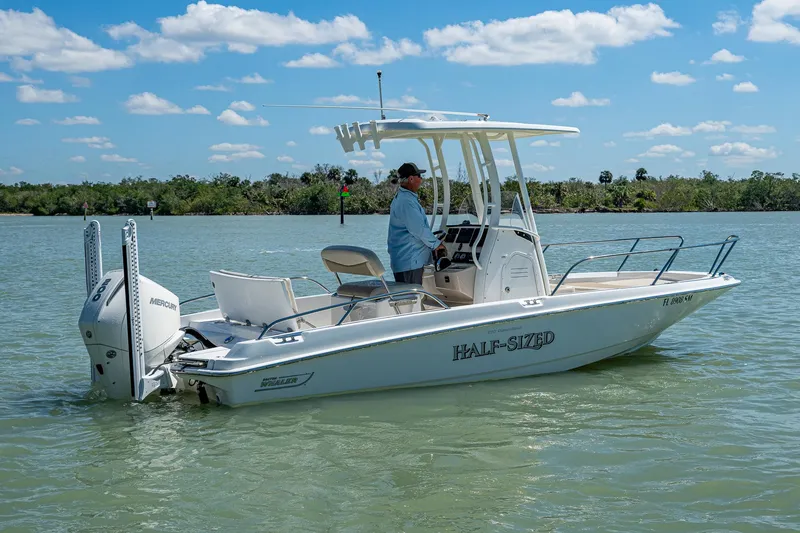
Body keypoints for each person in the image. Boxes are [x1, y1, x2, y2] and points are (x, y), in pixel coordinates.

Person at [387, 162, 447, 284]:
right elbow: (419, 229)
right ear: (411, 179)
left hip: (406, 260)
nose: (421, 179)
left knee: (408, 299)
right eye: (419, 176)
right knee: (411, 299)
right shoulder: (407, 202)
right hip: (410, 262)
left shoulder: (402, 198)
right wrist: (437, 245)